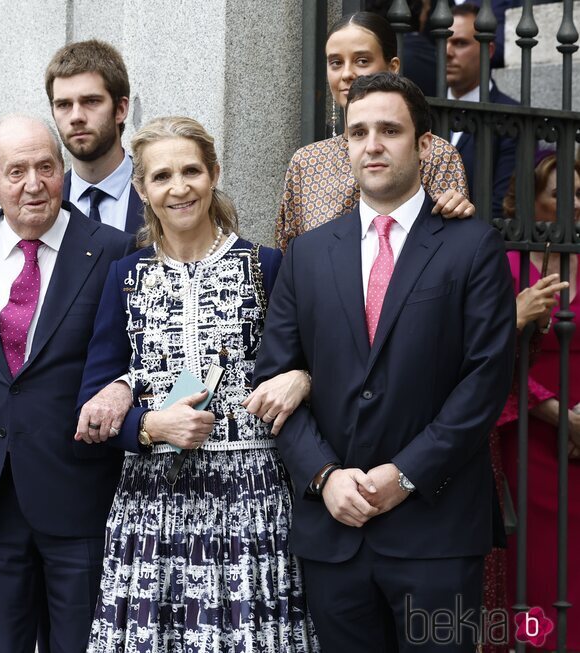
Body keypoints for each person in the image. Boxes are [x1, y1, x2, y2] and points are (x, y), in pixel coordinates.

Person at [255, 73, 515, 652]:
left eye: (389, 130)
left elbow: (486, 380)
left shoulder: (472, 247)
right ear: (344, 143)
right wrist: (322, 476)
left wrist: (404, 475)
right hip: (334, 532)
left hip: (437, 532)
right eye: (358, 132)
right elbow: (271, 378)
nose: (371, 144)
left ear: (424, 145)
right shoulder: (308, 254)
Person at [76, 116, 319, 652]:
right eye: (161, 176)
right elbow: (91, 399)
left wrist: (302, 377)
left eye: (191, 171)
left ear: (213, 174)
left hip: (250, 496)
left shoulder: (265, 266)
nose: (178, 187)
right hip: (153, 502)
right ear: (141, 188)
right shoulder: (126, 276)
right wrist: (148, 426)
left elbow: (314, 360)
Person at [0, 113, 134, 653]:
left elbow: (142, 353)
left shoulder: (114, 251)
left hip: (79, 495)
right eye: (16, 170)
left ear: (63, 171)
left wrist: (124, 387)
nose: (33, 184)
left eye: (46, 167)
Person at [275, 11, 473, 254]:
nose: (347, 73)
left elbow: (450, 250)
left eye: (361, 61)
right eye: (336, 62)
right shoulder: (305, 163)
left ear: (392, 68)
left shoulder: (435, 155)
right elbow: (288, 257)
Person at [499, 151, 580, 652]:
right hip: (529, 433)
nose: (573, 204)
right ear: (532, 203)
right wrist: (558, 414)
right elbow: (488, 352)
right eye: (559, 195)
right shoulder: (506, 265)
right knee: (535, 559)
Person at [45, 39, 144, 235]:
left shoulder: (163, 193)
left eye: (91, 101)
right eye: (63, 105)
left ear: (121, 109)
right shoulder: (44, 202)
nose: (76, 117)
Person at [445, 4, 519, 220]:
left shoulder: (511, 116)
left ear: (488, 50)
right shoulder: (421, 111)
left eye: (460, 43)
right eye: (442, 41)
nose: (447, 52)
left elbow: (503, 206)